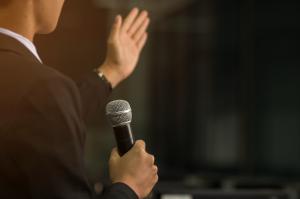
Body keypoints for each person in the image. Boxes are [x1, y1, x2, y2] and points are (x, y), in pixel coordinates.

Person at [0, 0, 158, 199]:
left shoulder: (35, 91)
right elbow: (43, 107)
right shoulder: (42, 88)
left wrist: (111, 70)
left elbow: (38, 116)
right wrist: (129, 187)